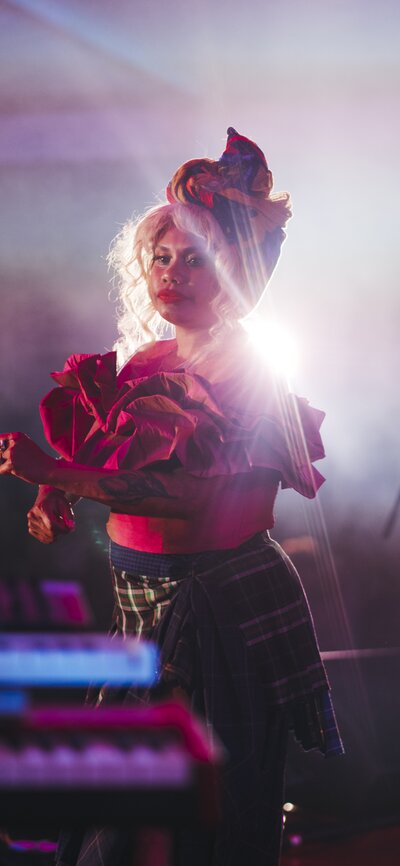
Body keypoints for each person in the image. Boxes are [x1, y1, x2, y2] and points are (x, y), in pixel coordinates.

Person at [0, 128, 343, 866]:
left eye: (195, 259)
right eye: (160, 256)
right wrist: (53, 500)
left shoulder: (249, 368)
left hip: (218, 605)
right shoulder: (144, 363)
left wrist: (58, 476)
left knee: (190, 814)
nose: (171, 272)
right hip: (141, 605)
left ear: (234, 274)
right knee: (134, 812)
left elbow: (190, 496)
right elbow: (109, 471)